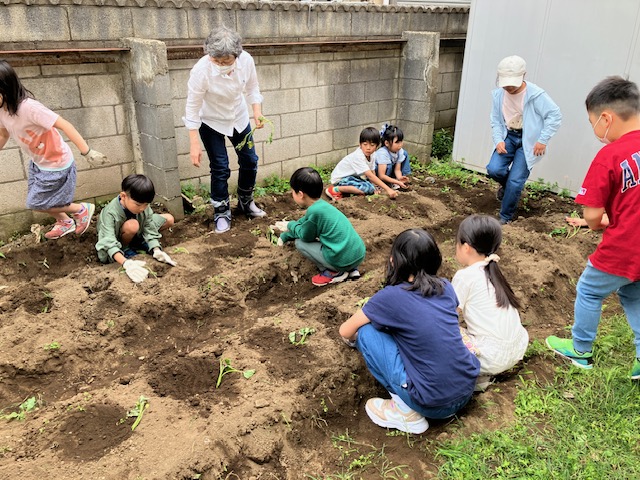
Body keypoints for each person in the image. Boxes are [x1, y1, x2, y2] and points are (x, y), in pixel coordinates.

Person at [339, 229, 480, 434]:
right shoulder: (446, 287)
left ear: (394, 261)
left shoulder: (390, 297)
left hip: (433, 404)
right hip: (466, 390)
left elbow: (345, 330)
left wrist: (359, 338)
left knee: (367, 332)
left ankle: (404, 410)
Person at [546, 76, 640, 380]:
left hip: (624, 246)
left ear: (606, 118)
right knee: (634, 295)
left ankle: (581, 349)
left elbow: (596, 216)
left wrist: (593, 222)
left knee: (588, 290)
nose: (595, 130)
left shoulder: (609, 156)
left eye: (592, 123)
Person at [0, 59, 107, 240]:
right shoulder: (2, 110)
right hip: (39, 163)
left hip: (57, 164)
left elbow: (65, 124)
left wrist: (87, 152)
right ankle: (65, 222)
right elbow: (3, 135)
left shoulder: (30, 108)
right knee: (41, 200)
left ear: (5, 88)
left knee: (36, 203)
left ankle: (80, 209)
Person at [183, 26, 266, 235]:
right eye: (216, 60)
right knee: (220, 167)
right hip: (210, 121)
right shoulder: (200, 71)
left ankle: (246, 201)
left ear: (236, 56)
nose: (220, 64)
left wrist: (257, 112)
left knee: (250, 160)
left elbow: (252, 88)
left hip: (238, 116)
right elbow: (192, 107)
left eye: (226, 61)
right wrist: (194, 143)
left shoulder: (246, 61)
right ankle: (221, 211)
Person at [453, 215, 529, 390]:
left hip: (491, 358)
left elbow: (449, 315)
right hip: (516, 349)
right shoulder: (493, 268)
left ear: (465, 247)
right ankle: (483, 376)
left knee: (446, 332)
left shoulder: (465, 277)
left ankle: (474, 378)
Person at [486, 55, 562, 225]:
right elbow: (496, 120)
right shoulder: (499, 95)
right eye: (505, 83)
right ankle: (509, 189)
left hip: (528, 141)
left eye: (512, 83)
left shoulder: (535, 95)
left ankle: (505, 217)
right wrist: (498, 139)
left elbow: (554, 115)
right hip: (509, 136)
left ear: (523, 75)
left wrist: (542, 140)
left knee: (516, 180)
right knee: (494, 169)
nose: (509, 87)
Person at [273, 167, 365, 287]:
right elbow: (305, 223)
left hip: (341, 259)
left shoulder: (314, 212)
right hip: (358, 254)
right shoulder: (322, 206)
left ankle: (335, 272)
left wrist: (290, 225)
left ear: (300, 194)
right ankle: (352, 269)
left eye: (293, 192)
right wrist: (286, 234)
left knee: (300, 243)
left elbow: (305, 236)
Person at [95, 174, 176, 284]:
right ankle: (126, 249)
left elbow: (149, 226)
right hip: (118, 239)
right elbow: (108, 242)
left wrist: (156, 248)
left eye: (146, 205)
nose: (143, 208)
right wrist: (125, 263)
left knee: (168, 219)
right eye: (138, 205)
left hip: (137, 230)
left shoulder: (142, 207)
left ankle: (140, 243)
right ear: (123, 196)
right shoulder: (110, 213)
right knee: (132, 225)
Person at [325, 127, 399, 201]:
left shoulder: (373, 155)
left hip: (352, 177)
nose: (368, 148)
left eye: (372, 145)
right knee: (368, 189)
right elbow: (370, 176)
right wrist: (388, 189)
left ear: (377, 146)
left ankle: (351, 191)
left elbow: (372, 172)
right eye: (365, 144)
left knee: (370, 188)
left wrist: (375, 187)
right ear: (360, 144)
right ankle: (335, 190)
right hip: (340, 179)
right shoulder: (358, 156)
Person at [375, 123, 411, 190]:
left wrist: (400, 178)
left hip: (388, 174)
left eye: (401, 141)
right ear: (387, 143)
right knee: (388, 166)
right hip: (378, 176)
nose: (400, 145)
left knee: (404, 153)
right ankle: (382, 184)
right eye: (397, 142)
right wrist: (396, 182)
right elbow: (381, 175)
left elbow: (397, 170)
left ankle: (391, 181)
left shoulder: (399, 151)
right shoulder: (382, 153)